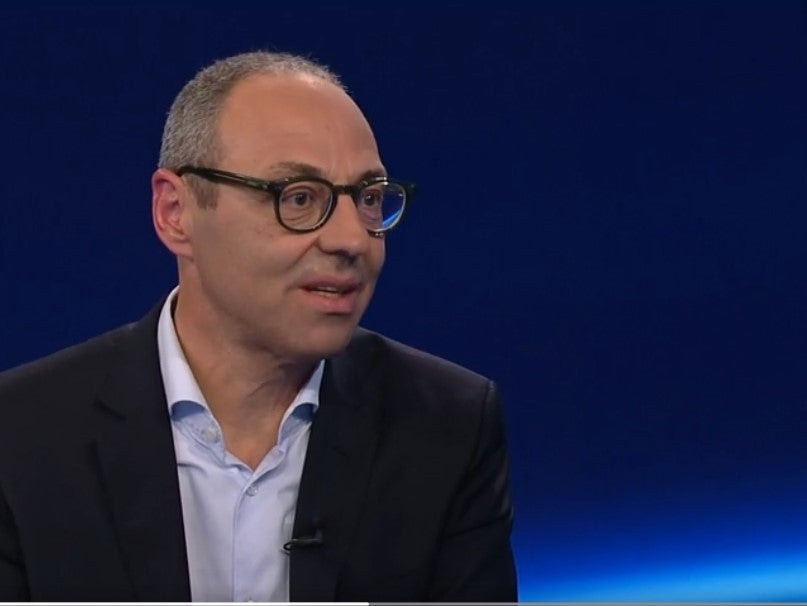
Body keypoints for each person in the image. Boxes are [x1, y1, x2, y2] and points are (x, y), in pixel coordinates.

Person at [0, 51, 516, 602]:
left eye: (368, 199)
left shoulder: (449, 427)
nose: (351, 240)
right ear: (175, 212)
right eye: (299, 197)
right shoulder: (21, 436)